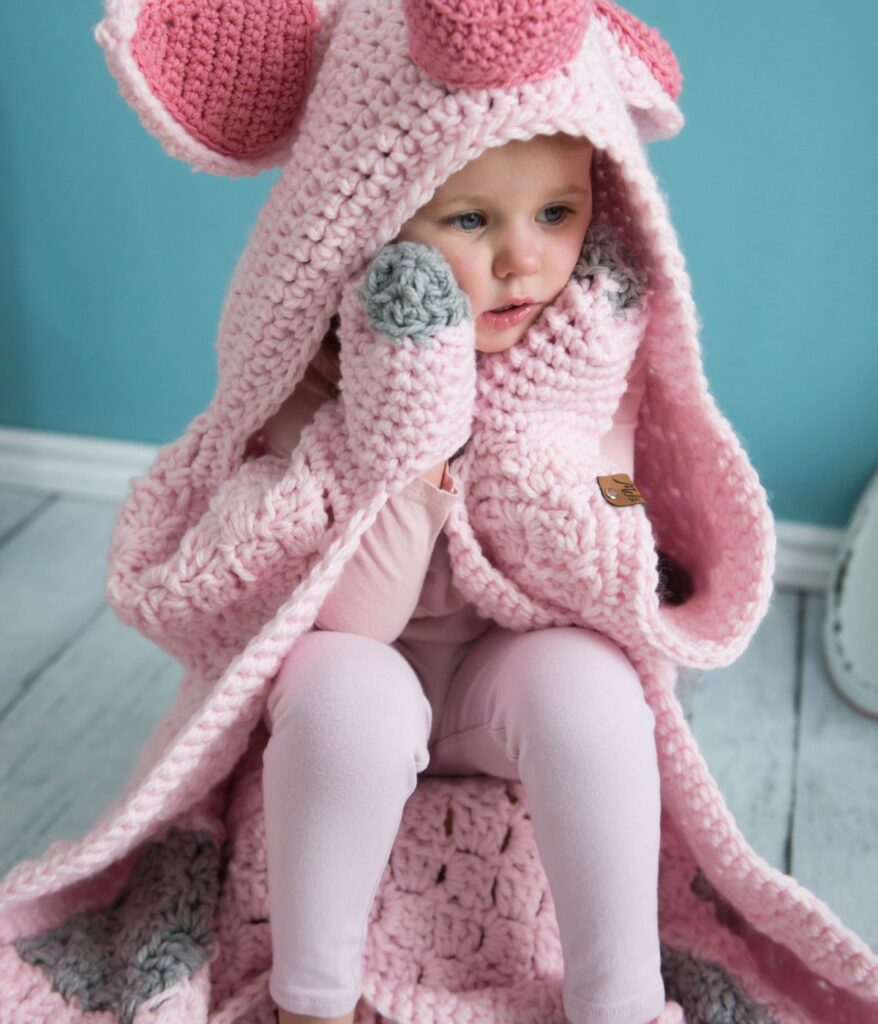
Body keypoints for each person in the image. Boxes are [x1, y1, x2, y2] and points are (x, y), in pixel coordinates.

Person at [258, 130, 680, 1024]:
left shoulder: (594, 357)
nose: (523, 258)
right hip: (371, 654)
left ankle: (623, 1003)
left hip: (508, 667)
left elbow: (613, 513)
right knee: (344, 696)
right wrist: (421, 423)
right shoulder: (315, 369)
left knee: (594, 686)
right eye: (471, 220)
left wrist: (565, 463)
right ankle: (311, 1000)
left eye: (557, 214)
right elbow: (356, 615)